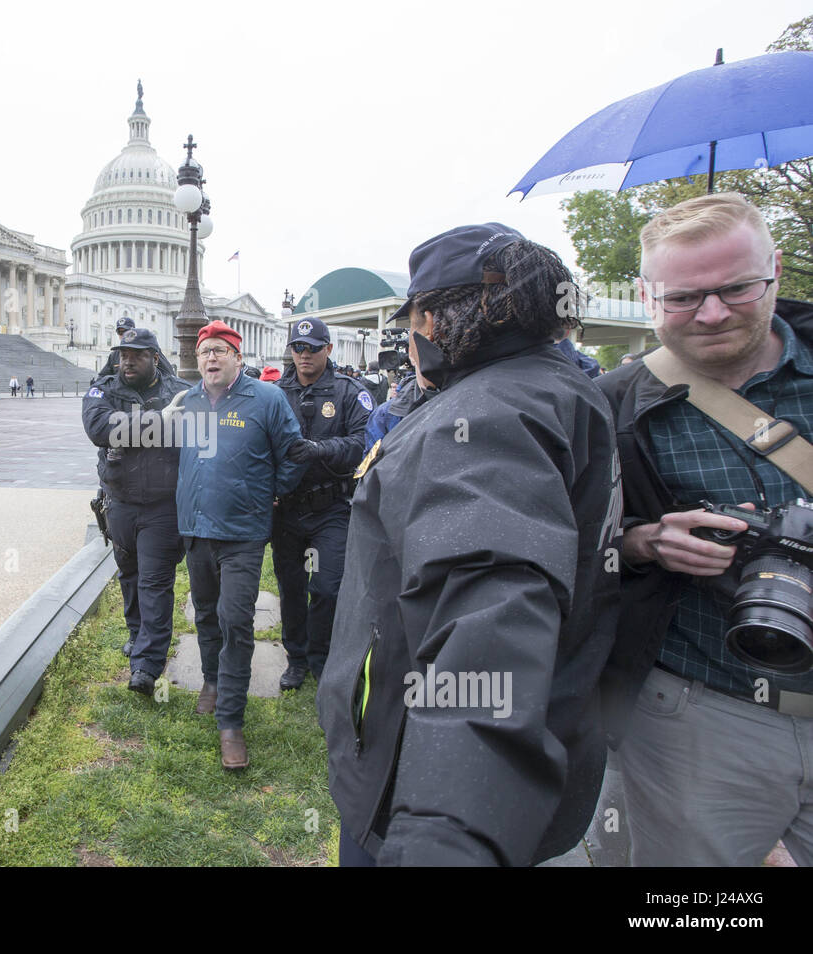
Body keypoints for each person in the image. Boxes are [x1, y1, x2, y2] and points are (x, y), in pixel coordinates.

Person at [319, 223, 621, 866]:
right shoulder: (556, 389)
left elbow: (488, 620)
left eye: (413, 320)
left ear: (438, 317)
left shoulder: (485, 415)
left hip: (409, 781)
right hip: (505, 761)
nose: (409, 338)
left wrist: (444, 835)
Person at [597, 192, 813, 866]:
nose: (713, 313)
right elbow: (580, 546)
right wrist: (644, 542)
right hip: (701, 708)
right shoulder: (610, 403)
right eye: (685, 297)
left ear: (775, 269)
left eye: (738, 288)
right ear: (646, 294)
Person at [175, 320, 305, 769]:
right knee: (206, 614)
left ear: (237, 358)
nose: (210, 358)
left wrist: (269, 493)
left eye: (219, 351)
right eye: (204, 351)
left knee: (236, 621)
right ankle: (211, 680)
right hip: (196, 529)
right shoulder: (187, 401)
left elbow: (293, 455)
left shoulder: (267, 399)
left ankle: (231, 721)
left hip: (243, 534)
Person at [82, 328, 187, 694]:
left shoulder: (178, 392)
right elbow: (99, 428)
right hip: (120, 503)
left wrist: (128, 429)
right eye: (123, 354)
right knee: (129, 575)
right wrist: (158, 422)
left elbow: (193, 435)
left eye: (137, 355)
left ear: (154, 358)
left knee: (154, 582)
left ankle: (146, 664)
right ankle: (136, 633)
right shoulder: (104, 390)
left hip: (162, 507)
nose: (127, 360)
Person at [271, 316, 370, 690]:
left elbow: (363, 443)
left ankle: (322, 655)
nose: (304, 355)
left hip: (331, 507)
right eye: (298, 347)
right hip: (288, 507)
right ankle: (296, 659)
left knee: (327, 587)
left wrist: (317, 450)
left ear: (328, 349)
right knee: (291, 586)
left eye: (312, 348)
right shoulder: (277, 392)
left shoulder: (349, 392)